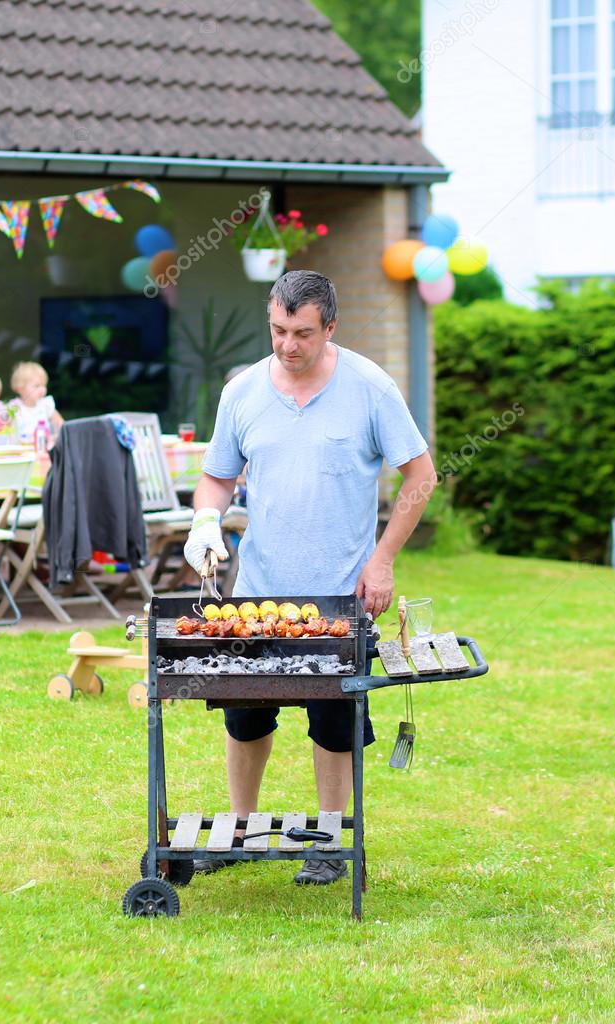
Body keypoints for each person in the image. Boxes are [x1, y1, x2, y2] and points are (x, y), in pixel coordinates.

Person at [183, 271, 437, 885]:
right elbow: (218, 475)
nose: (287, 345)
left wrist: (381, 561)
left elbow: (421, 476)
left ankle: (327, 838)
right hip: (259, 592)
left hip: (340, 593)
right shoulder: (242, 392)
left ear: (330, 327)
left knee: (332, 718)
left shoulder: (370, 387)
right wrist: (205, 519)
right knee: (245, 715)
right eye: (277, 330)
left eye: (301, 333)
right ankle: (239, 830)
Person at [7, 361, 64, 443]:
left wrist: (56, 437)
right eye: (37, 386)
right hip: (21, 451)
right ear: (20, 388)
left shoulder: (45, 405)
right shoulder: (14, 407)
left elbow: (60, 424)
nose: (42, 389)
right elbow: (3, 429)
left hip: (44, 448)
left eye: (44, 385)